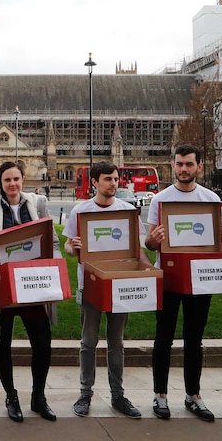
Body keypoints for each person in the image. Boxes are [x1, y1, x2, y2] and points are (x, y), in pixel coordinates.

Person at [0, 161, 59, 422]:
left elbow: (52, 241)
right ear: (0, 182)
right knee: (2, 346)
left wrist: (50, 261)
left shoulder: (38, 205)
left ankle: (38, 397)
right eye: (7, 179)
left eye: (16, 179)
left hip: (33, 286)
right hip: (3, 286)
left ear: (23, 179)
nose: (12, 184)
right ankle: (11, 396)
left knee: (42, 345)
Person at [144, 144, 222, 421]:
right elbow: (149, 242)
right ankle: (160, 395)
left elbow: (218, 240)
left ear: (199, 167)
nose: (183, 169)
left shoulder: (211, 199)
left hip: (200, 279)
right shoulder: (160, 200)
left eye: (189, 164)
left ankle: (193, 395)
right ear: (173, 165)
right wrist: (153, 241)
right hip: (168, 278)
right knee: (163, 338)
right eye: (179, 164)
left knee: (195, 339)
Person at [64, 161, 151, 419]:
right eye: (107, 179)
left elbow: (138, 248)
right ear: (94, 182)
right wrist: (74, 247)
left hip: (119, 283)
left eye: (115, 179)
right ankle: (85, 393)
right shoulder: (80, 211)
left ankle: (118, 395)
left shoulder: (128, 211)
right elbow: (69, 246)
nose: (113, 183)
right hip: (90, 285)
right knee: (88, 342)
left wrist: (149, 272)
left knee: (116, 342)